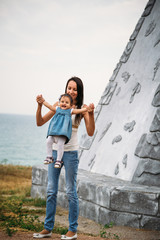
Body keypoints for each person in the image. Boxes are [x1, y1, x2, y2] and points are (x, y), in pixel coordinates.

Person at [33, 77, 95, 239]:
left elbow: (90, 131)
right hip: (54, 153)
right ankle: (48, 228)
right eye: (69, 88)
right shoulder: (59, 104)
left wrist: (91, 113)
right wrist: (39, 106)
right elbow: (40, 122)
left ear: (79, 92)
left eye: (75, 89)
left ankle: (72, 230)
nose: (71, 91)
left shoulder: (80, 110)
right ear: (66, 88)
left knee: (70, 191)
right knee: (51, 191)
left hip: (71, 154)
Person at [41, 93, 88, 168]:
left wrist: (86, 109)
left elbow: (78, 111)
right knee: (48, 141)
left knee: (60, 144)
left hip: (63, 133)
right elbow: (49, 106)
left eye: (67, 102)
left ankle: (59, 160)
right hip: (54, 132)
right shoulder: (57, 109)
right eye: (62, 102)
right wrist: (43, 101)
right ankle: (49, 157)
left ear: (70, 105)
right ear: (59, 103)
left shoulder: (70, 111)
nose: (64, 104)